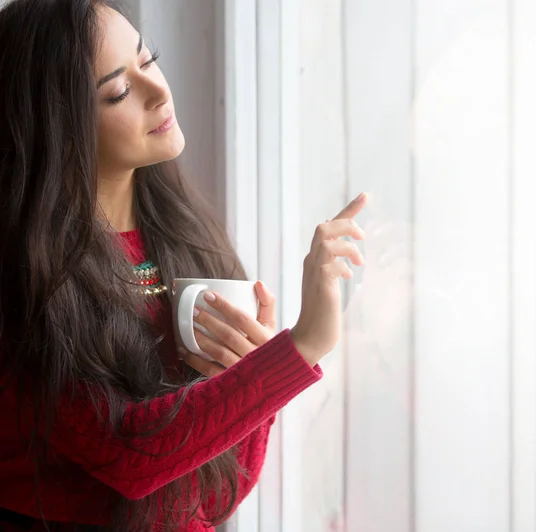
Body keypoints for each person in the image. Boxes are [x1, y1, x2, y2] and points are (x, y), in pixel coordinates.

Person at [0, 0, 368, 530]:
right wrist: (300, 346)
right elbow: (130, 456)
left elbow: (217, 494)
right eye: (119, 92)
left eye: (149, 61)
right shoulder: (26, 275)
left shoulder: (182, 235)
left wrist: (251, 378)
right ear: (57, 128)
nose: (158, 91)